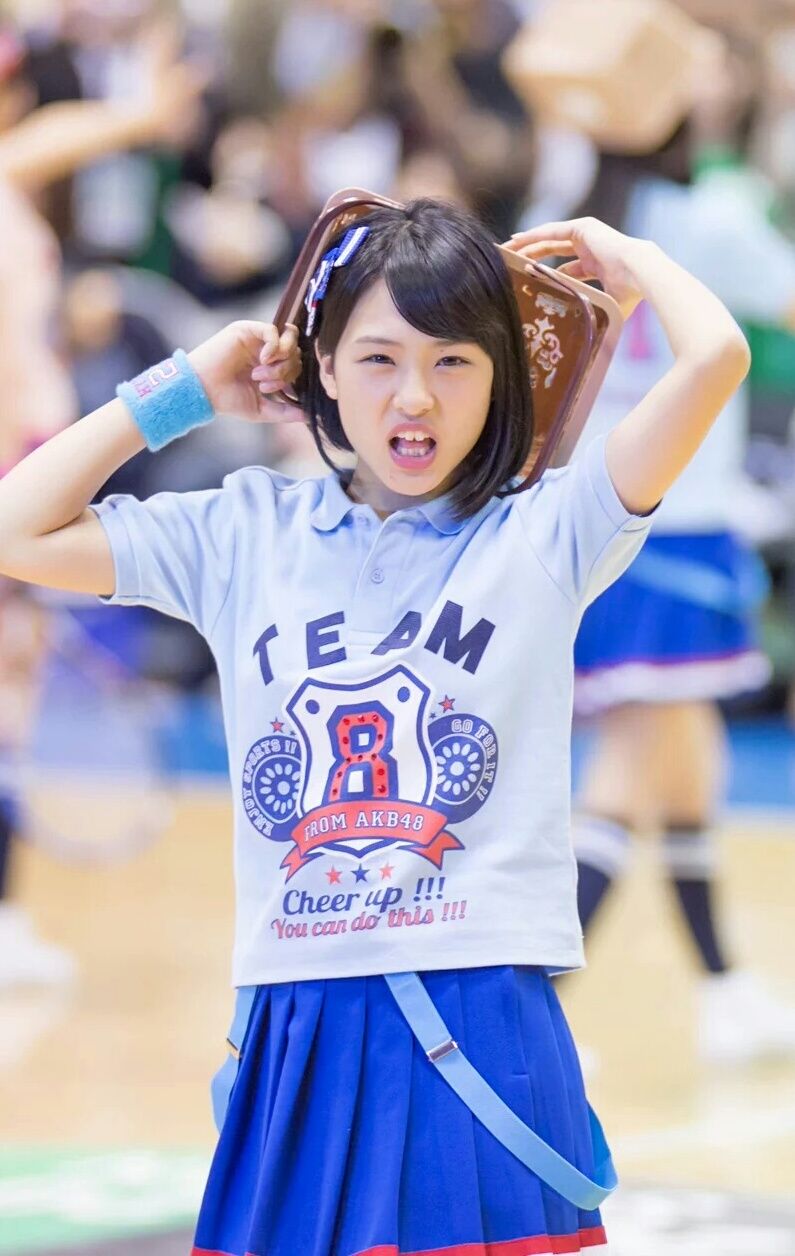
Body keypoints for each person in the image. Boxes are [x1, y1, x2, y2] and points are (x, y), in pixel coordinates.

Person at [0, 200, 749, 1255]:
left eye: (454, 362)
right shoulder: (244, 527)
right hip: (294, 1018)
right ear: (323, 369)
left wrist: (626, 257)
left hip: (482, 1007)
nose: (414, 396)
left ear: (501, 379)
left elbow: (715, 356)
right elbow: (14, 527)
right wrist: (188, 389)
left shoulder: (548, 530)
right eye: (379, 358)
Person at [569, 112, 795, 1065]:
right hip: (676, 521)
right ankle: (524, 1002)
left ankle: (721, 986)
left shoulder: (563, 211)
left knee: (687, 766)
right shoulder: (709, 220)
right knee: (625, 776)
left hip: (598, 517)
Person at [0, 22, 204, 987]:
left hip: (26, 465)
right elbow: (44, 145)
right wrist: (137, 114)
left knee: (13, 696)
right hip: (12, 473)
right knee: (7, 697)